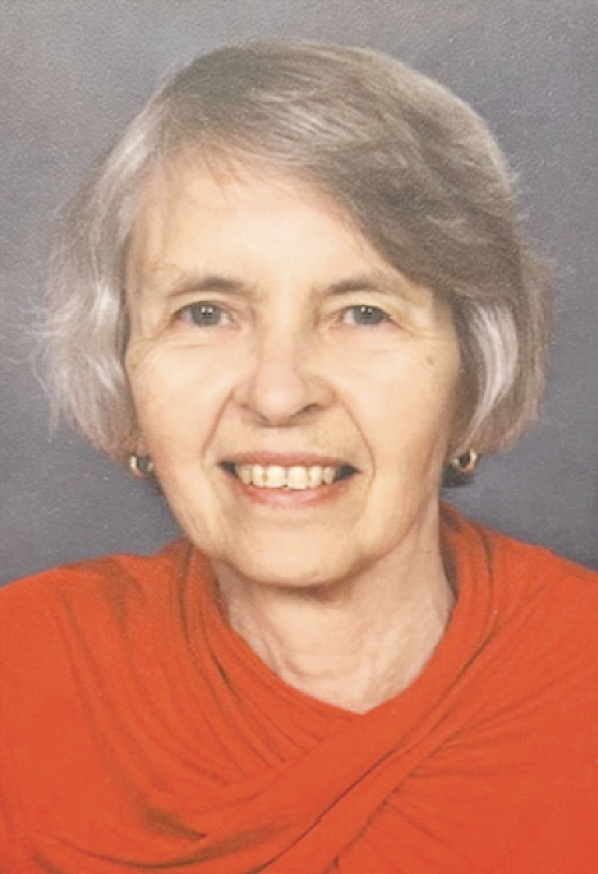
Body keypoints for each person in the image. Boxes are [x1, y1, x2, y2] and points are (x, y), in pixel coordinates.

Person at [1, 40, 597, 874]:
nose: (279, 395)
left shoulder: (586, 679)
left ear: (474, 369)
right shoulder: (20, 679)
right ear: (124, 366)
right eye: (206, 312)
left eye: (362, 312)